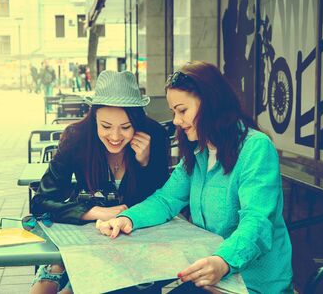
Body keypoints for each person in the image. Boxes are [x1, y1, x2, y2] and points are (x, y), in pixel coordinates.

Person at [96, 61, 294, 293]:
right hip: (209, 279)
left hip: (251, 285)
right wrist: (127, 219)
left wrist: (223, 261)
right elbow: (165, 200)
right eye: (174, 112)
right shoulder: (199, 152)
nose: (177, 121)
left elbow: (257, 222)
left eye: (182, 110)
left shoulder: (256, 148)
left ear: (211, 103)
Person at [30, 70, 171, 294]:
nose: (115, 136)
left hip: (136, 244)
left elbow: (164, 203)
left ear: (137, 121)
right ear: (93, 117)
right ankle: (62, 269)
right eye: (106, 126)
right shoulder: (77, 137)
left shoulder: (154, 135)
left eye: (125, 127)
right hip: (86, 238)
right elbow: (40, 202)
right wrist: (92, 212)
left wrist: (145, 164)